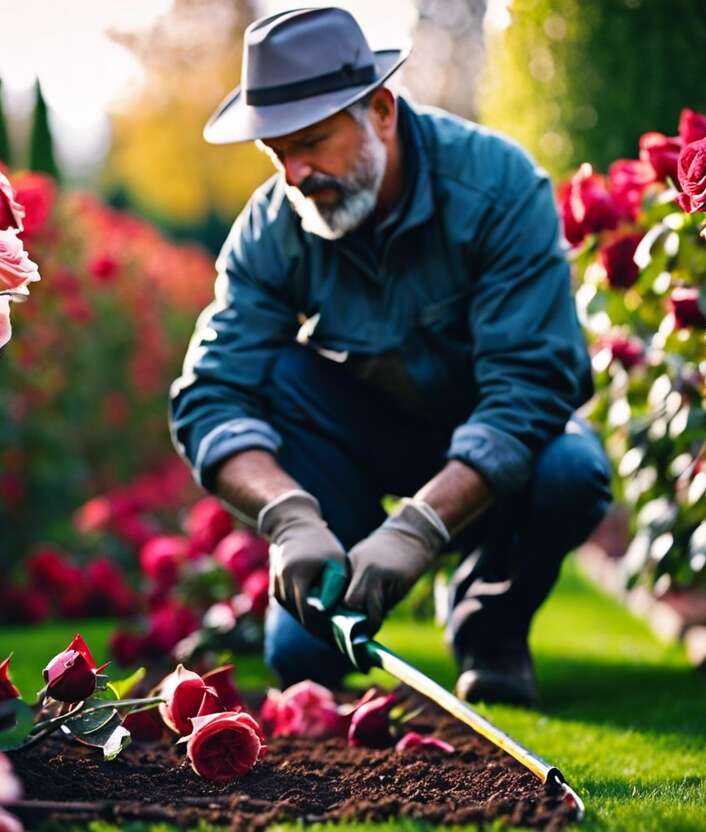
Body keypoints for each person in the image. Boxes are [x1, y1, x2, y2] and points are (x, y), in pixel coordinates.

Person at [168, 6, 611, 705]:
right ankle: (332, 563)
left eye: (311, 142)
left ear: (380, 110)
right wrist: (289, 517)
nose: (293, 175)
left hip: (493, 446)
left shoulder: (497, 188)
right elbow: (211, 395)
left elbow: (531, 386)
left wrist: (421, 526)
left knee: (573, 471)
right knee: (301, 662)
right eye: (276, 153)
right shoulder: (272, 227)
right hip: (365, 441)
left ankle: (489, 622)